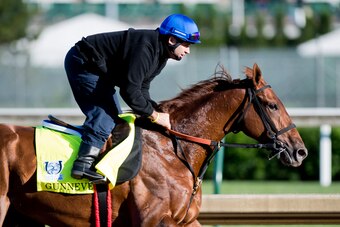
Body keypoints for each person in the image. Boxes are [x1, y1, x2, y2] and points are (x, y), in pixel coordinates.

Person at [64, 14, 201, 182]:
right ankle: (82, 165)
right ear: (172, 40)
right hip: (82, 63)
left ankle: (100, 160)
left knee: (115, 118)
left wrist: (155, 110)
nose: (188, 50)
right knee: (105, 117)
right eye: (186, 44)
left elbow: (142, 88)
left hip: (98, 69)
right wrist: (155, 116)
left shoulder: (160, 54)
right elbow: (129, 91)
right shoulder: (145, 48)